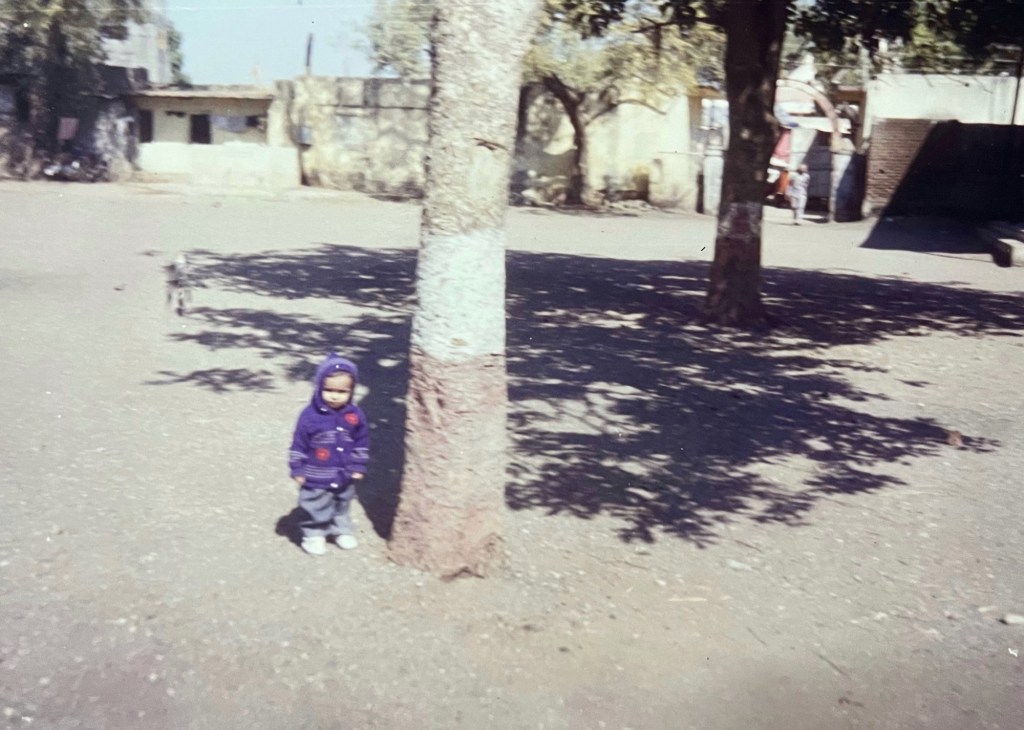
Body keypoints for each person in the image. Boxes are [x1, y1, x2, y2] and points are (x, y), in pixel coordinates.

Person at [288, 354, 370, 555]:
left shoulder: (355, 415)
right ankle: (313, 534)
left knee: (342, 502)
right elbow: (299, 443)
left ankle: (340, 530)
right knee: (315, 503)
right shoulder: (310, 416)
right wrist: (297, 468)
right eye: (329, 390)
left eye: (342, 392)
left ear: (351, 391)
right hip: (316, 472)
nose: (334, 396)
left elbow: (361, 441)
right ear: (319, 388)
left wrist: (358, 465)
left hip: (345, 472)